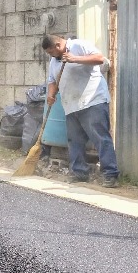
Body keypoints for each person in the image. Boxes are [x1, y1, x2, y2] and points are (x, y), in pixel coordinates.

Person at [41, 33, 118, 187]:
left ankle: (110, 174)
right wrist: (50, 94)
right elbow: (52, 80)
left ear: (58, 45)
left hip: (92, 100)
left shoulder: (78, 45)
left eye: (51, 52)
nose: (51, 55)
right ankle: (79, 172)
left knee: (100, 138)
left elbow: (99, 58)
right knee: (74, 140)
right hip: (71, 104)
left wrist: (74, 59)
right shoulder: (54, 60)